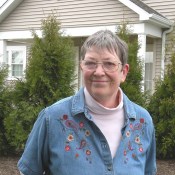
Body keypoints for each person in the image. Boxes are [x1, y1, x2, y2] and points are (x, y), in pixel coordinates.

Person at [18, 30, 157, 175]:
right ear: (81, 67)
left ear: (124, 72)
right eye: (90, 63)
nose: (98, 72)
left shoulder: (143, 122)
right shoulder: (52, 119)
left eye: (109, 64)